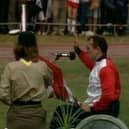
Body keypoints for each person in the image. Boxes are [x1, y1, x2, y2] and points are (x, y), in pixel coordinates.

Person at [49, 34, 121, 129]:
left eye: (88, 48)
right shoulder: (99, 64)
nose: (87, 51)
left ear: (98, 49)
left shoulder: (106, 68)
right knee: (65, 112)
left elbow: (108, 97)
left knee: (61, 111)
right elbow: (87, 60)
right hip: (96, 107)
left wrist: (91, 108)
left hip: (100, 111)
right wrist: (78, 50)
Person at [0, 31, 53, 129]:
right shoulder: (42, 66)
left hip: (16, 114)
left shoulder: (10, 67)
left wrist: (13, 104)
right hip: (36, 115)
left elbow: (3, 94)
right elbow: (50, 83)